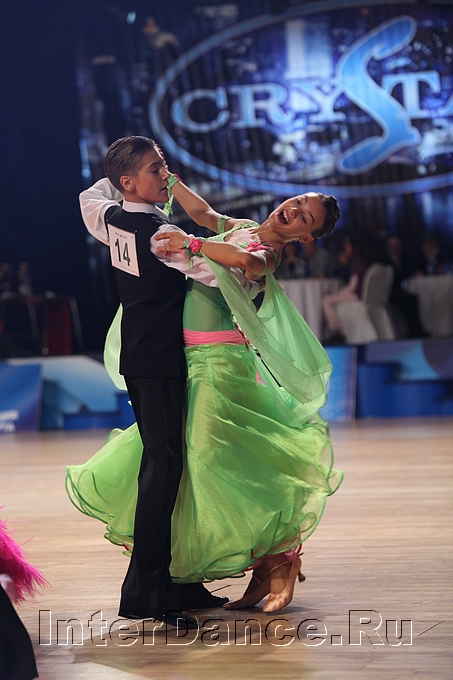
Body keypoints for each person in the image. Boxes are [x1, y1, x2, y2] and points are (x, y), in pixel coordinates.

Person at [68, 166, 343, 613]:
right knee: (198, 466)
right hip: (188, 359)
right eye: (297, 202)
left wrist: (191, 244)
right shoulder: (242, 226)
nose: (293, 211)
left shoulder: (267, 254)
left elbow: (246, 263)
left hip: (219, 363)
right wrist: (174, 183)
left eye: (304, 217)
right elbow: (204, 213)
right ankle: (256, 565)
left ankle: (281, 559)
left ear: (305, 237)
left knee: (218, 460)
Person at [76, 136, 227, 628]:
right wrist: (251, 255)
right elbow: (213, 274)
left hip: (142, 358)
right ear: (129, 182)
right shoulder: (161, 235)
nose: (167, 177)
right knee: (162, 472)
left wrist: (125, 185)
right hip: (159, 360)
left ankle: (171, 580)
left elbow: (90, 195)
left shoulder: (113, 217)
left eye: (164, 166)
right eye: (155, 170)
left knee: (168, 470)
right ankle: (148, 592)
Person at [322, 237, 371, 343]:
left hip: (357, 295)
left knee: (326, 300)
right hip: (359, 294)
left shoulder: (357, 263)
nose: (346, 250)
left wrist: (339, 293)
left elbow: (352, 287)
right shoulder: (360, 262)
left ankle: (338, 331)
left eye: (348, 247)